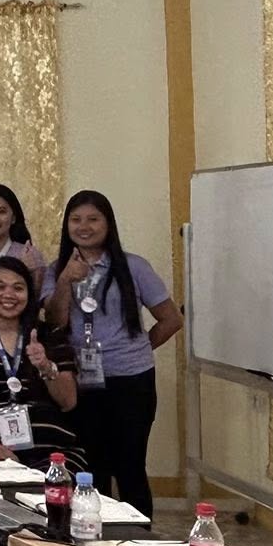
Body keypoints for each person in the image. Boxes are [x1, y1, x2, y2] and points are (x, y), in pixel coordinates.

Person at [42, 190, 183, 518]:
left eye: (93, 219)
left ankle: (139, 536)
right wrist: (66, 280)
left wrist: (138, 350)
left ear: (108, 224)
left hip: (131, 381)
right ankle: (96, 531)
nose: (84, 227)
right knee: (91, 466)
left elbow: (171, 319)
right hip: (81, 382)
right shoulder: (56, 270)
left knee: (130, 465)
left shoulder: (134, 267)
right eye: (76, 220)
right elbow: (55, 321)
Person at [0, 260, 78, 465]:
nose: (9, 294)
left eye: (18, 288)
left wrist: (45, 366)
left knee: (56, 484)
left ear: (29, 295)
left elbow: (68, 402)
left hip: (55, 452)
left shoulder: (49, 335)